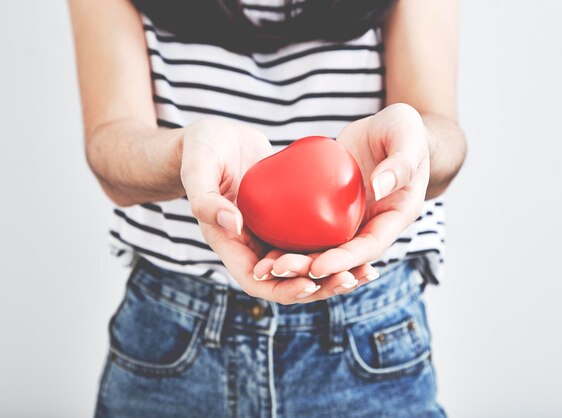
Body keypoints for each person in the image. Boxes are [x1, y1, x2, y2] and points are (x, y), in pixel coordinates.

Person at [68, 0, 467, 416]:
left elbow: (442, 130)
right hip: (170, 333)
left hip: (372, 330)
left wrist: (416, 144)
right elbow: (109, 149)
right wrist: (184, 153)